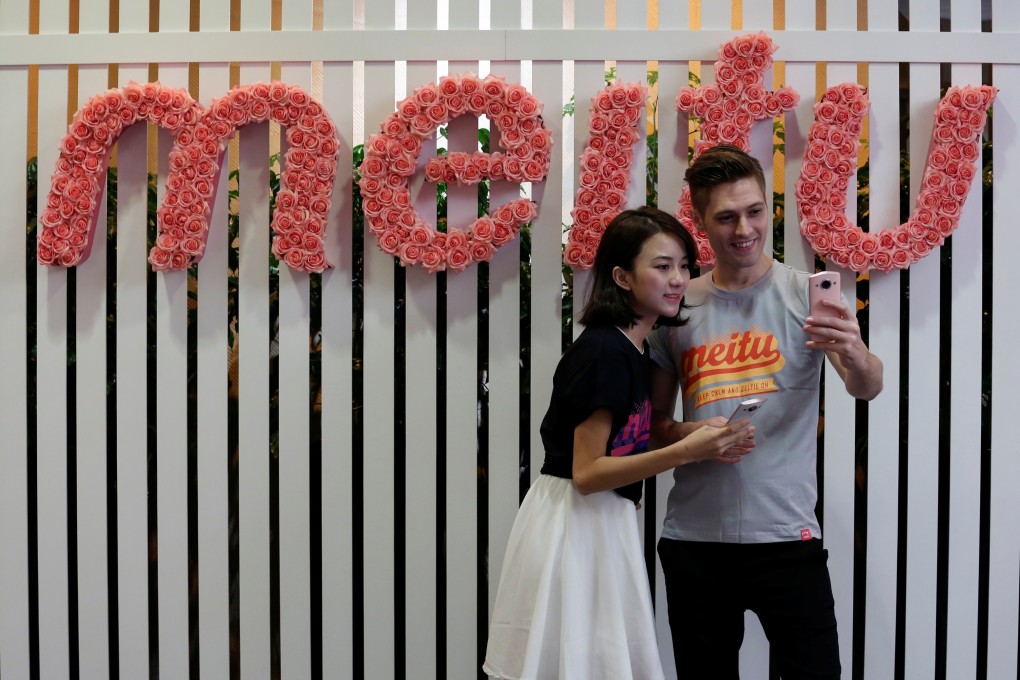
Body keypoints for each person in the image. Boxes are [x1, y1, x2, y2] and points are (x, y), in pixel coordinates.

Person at [483, 206, 755, 680]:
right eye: (662, 265)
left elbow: (624, 444)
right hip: (573, 524)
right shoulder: (606, 351)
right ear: (622, 277)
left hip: (601, 522)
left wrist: (692, 432)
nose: (678, 279)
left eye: (685, 266)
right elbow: (587, 473)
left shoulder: (636, 347)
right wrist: (686, 452)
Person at [648, 145, 884, 679]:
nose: (744, 228)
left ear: (768, 209)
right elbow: (655, 427)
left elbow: (867, 387)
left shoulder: (807, 296)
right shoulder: (677, 309)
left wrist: (852, 350)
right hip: (694, 544)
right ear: (702, 221)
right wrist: (692, 434)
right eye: (726, 217)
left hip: (787, 538)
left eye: (754, 211)